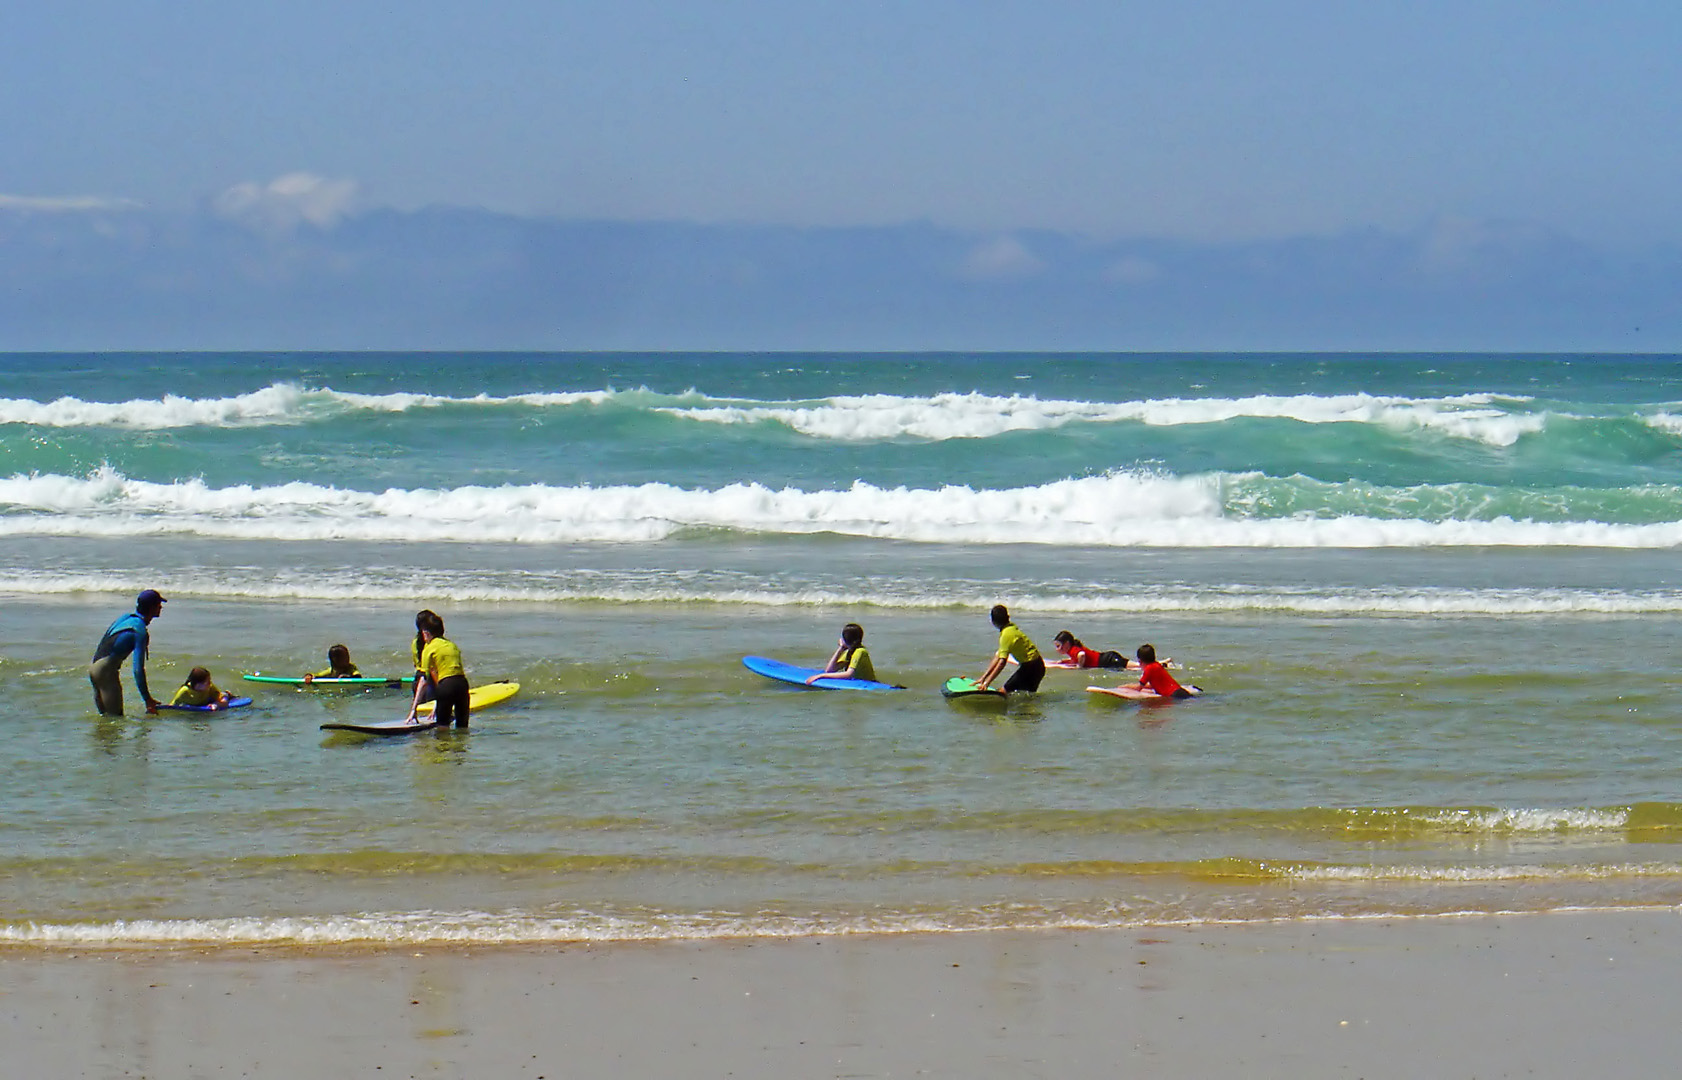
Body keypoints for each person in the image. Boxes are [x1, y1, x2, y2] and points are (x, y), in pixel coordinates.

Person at [89, 589, 166, 716]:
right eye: (158, 604)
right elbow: (138, 670)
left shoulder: (125, 618)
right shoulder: (140, 631)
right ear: (152, 608)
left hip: (94, 667)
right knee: (115, 721)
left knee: (105, 720)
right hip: (106, 672)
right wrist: (147, 699)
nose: (161, 607)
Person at [406, 610, 470, 727]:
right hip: (462, 684)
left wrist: (414, 710)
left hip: (446, 686)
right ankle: (462, 745)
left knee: (442, 728)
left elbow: (425, 681)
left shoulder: (429, 649)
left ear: (426, 633)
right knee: (462, 727)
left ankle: (444, 745)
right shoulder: (451, 645)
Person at [976, 604, 1045, 693]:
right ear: (1008, 617)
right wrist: (983, 678)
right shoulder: (1010, 628)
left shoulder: (1006, 635)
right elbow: (998, 656)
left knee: (1003, 692)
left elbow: (1002, 662)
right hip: (1038, 666)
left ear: (993, 621)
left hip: (1030, 667)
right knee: (1027, 697)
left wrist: (987, 683)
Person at [806, 623, 877, 685]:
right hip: (857, 683)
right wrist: (841, 648)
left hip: (869, 684)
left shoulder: (860, 651)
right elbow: (830, 670)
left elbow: (849, 674)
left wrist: (821, 676)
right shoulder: (849, 652)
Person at [1131, 643, 1195, 699]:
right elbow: (1152, 685)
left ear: (1140, 661)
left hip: (1174, 696)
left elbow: (1139, 688)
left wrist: (1125, 689)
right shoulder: (1157, 665)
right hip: (1179, 691)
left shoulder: (1148, 669)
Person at [1050, 631, 1131, 670]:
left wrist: (1080, 667)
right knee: (1133, 666)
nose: (1057, 649)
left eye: (1058, 646)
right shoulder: (1072, 650)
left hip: (1107, 660)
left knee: (1135, 667)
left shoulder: (1073, 649)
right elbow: (1077, 658)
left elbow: (1081, 655)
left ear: (1067, 643)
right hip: (1107, 658)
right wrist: (1063, 661)